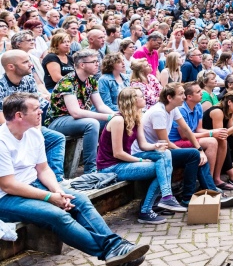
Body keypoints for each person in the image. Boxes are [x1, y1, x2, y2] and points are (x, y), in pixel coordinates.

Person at [0, 92, 151, 266]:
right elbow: (8, 185)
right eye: (36, 109)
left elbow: (43, 169)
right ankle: (111, 251)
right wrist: (50, 197)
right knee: (57, 215)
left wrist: (57, 190)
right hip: (6, 198)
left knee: (80, 200)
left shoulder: (34, 134)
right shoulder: (2, 141)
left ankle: (114, 247)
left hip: (34, 184)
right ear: (19, 115)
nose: (41, 111)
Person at [135, 83, 233, 208]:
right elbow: (165, 142)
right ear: (169, 98)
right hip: (151, 152)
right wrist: (188, 152)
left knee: (197, 155)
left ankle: (209, 192)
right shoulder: (159, 112)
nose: (184, 97)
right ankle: (191, 196)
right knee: (192, 155)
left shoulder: (172, 108)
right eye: (181, 94)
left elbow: (187, 131)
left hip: (162, 150)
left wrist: (200, 149)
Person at [97, 87, 186, 224]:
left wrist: (156, 146)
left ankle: (165, 197)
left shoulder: (137, 118)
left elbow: (144, 145)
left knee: (165, 154)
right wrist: (139, 159)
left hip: (125, 163)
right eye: (141, 96)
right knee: (161, 168)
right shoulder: (118, 121)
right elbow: (118, 153)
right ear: (131, 101)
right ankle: (147, 209)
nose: (145, 98)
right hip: (111, 167)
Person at [46, 49, 115, 174]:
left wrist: (115, 115)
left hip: (76, 120)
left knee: (117, 120)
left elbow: (100, 106)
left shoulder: (91, 80)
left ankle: (110, 160)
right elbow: (75, 112)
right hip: (58, 121)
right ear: (82, 65)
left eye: (97, 61)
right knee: (92, 123)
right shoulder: (68, 81)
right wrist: (108, 117)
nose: (97, 64)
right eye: (93, 61)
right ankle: (90, 169)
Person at [0, 51, 66, 182]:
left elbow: (37, 108)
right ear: (11, 66)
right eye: (25, 62)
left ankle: (56, 178)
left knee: (56, 138)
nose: (31, 64)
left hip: (28, 125)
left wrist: (37, 130)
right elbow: (1, 116)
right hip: (9, 129)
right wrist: (23, 133)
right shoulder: (1, 85)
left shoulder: (29, 80)